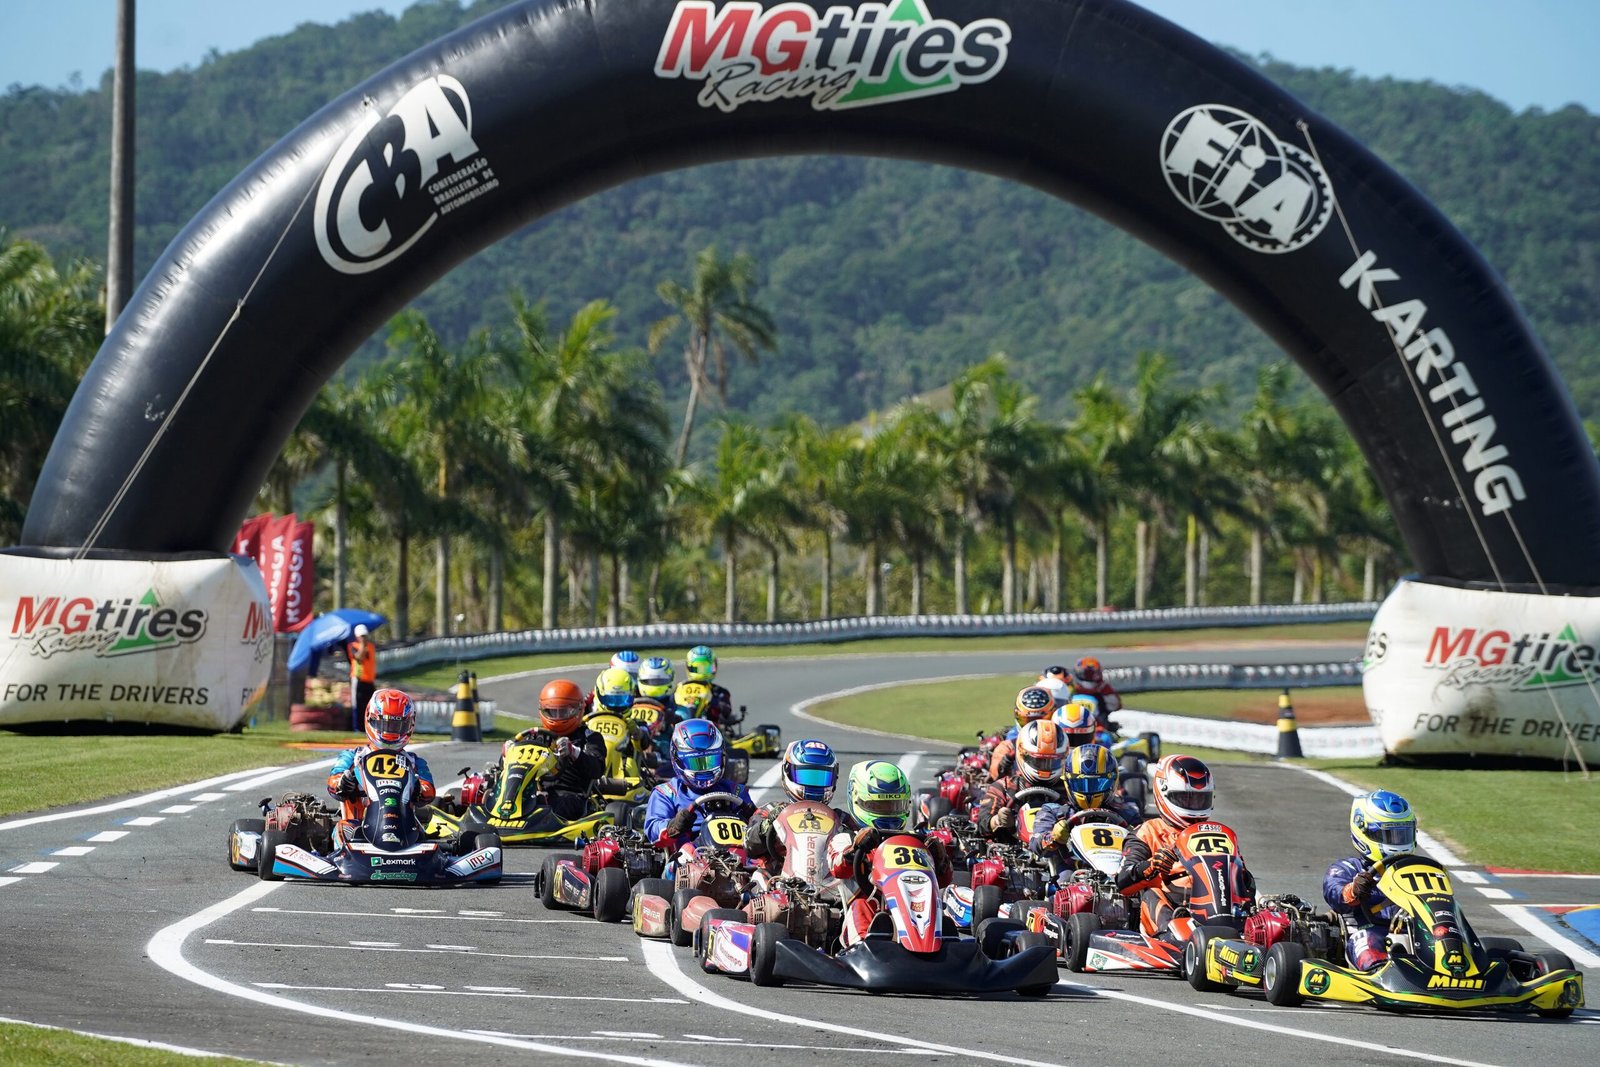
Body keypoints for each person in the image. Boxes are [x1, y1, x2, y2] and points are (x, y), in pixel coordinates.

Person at [826, 761, 954, 946]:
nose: (888, 814)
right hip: (870, 906)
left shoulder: (915, 840)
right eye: (879, 806)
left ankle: (941, 944)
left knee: (942, 906)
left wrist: (939, 859)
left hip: (912, 906)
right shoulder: (846, 838)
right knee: (861, 907)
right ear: (858, 800)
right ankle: (862, 946)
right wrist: (857, 849)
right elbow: (838, 867)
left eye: (894, 806)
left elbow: (943, 881)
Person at [1115, 754, 1232, 933]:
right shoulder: (1148, 832)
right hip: (1172, 910)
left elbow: (1245, 883)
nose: (1193, 806)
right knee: (1152, 894)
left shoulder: (1218, 833)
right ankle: (1172, 937)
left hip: (1215, 905)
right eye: (1185, 798)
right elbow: (1122, 883)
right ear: (1164, 794)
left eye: (1200, 799)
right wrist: (1152, 866)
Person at [327, 688, 434, 850]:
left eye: (397, 725)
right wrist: (343, 783)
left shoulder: (414, 762)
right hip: (357, 826)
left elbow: (429, 789)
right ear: (371, 719)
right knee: (344, 830)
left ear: (409, 725)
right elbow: (333, 781)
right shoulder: (353, 756)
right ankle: (345, 854)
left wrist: (419, 788)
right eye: (384, 724)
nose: (390, 732)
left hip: (404, 827)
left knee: (421, 834)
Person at [1323, 790, 1418, 970]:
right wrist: (1353, 890)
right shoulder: (1348, 868)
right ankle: (1378, 971)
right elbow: (1334, 893)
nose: (1397, 842)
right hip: (1368, 929)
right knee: (1367, 940)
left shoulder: (1417, 869)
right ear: (1364, 832)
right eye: (1389, 835)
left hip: (1416, 932)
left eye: (1402, 834)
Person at [501, 679, 609, 820]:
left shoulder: (589, 737)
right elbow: (511, 769)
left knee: (556, 804)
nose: (557, 717)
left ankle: (539, 813)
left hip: (571, 795)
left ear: (578, 710)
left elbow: (596, 769)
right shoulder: (535, 736)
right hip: (532, 792)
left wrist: (574, 752)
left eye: (563, 712)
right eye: (552, 712)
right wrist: (507, 754)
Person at [643, 719, 755, 850]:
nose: (704, 770)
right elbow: (653, 829)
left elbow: (756, 823)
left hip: (735, 856)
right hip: (686, 857)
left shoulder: (735, 791)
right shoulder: (667, 793)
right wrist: (673, 826)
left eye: (710, 761)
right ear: (678, 760)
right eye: (696, 763)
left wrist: (760, 819)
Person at [746, 740, 850, 868]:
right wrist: (768, 824)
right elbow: (749, 846)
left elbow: (861, 848)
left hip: (826, 877)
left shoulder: (840, 819)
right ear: (787, 771)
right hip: (778, 876)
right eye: (806, 776)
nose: (812, 785)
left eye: (820, 778)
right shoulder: (770, 811)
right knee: (758, 876)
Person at [1032, 743, 1140, 859]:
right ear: (1067, 782)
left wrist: (1133, 835)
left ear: (1113, 781)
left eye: (1097, 783)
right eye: (1080, 783)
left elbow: (1143, 846)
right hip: (1069, 866)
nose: (1089, 790)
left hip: (1115, 867)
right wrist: (1052, 837)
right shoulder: (1053, 812)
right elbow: (1035, 844)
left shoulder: (1127, 815)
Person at [977, 719, 1070, 845]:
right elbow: (982, 825)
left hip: (1059, 849)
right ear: (1023, 755)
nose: (1045, 767)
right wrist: (998, 820)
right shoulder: (1004, 787)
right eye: (1039, 761)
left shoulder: (1068, 788)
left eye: (1052, 762)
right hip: (1013, 850)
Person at [988, 685, 1057, 780]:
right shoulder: (1009, 745)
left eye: (1040, 720)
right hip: (1020, 785)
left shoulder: (1062, 740)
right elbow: (994, 774)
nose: (1035, 726)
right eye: (1028, 720)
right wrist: (1006, 760)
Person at [686, 644, 735, 724]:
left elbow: (726, 713)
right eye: (698, 668)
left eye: (705, 668)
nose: (702, 671)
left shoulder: (719, 692)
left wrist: (714, 704)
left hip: (710, 729)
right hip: (683, 728)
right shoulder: (680, 689)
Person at [344, 623, 378, 732]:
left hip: (369, 679)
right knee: (357, 705)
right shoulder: (353, 646)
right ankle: (357, 728)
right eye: (362, 636)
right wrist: (363, 645)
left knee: (371, 705)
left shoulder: (371, 646)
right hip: (358, 679)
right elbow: (359, 656)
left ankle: (369, 728)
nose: (364, 638)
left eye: (365, 636)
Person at [1072, 656, 1123, 721]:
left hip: (1098, 721)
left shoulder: (1103, 687)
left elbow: (1115, 706)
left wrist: (1099, 697)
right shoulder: (1072, 688)